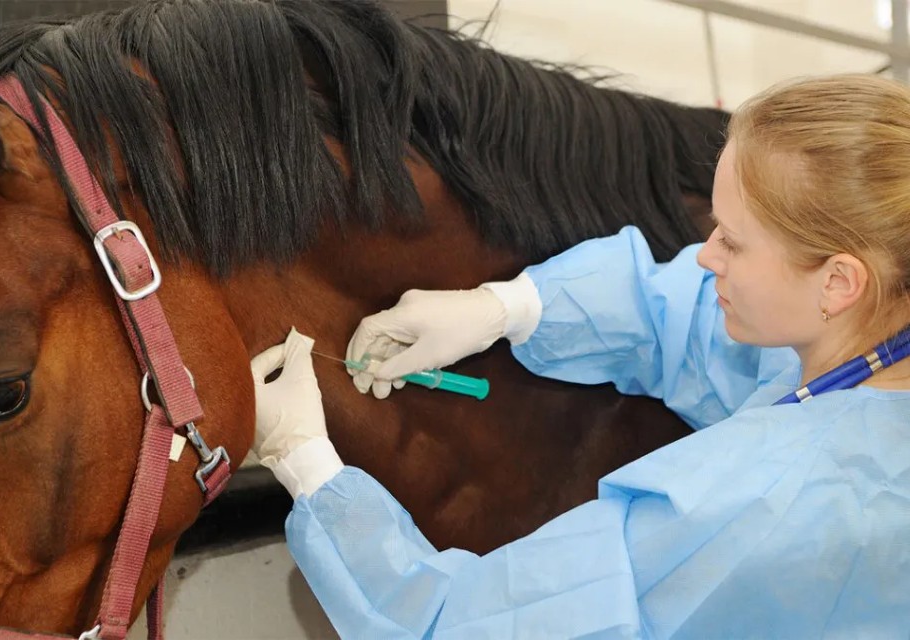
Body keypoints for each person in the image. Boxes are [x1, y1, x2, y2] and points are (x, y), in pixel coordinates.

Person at [250, 74, 910, 638]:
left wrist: (306, 463)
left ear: (838, 283)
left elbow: (464, 625)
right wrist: (505, 308)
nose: (705, 258)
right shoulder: (877, 345)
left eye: (732, 243)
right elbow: (678, 316)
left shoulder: (769, 502)